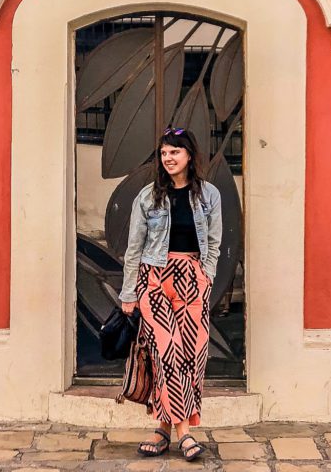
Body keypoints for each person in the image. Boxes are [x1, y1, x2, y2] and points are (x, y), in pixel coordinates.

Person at [119, 126, 223, 462]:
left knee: (191, 356)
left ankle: (162, 428)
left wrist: (206, 276)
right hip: (155, 280)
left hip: (192, 280)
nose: (168, 158)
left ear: (190, 156)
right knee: (168, 353)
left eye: (175, 152)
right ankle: (185, 433)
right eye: (164, 153)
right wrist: (128, 292)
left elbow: (214, 244)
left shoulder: (209, 195)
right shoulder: (148, 197)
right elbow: (134, 247)